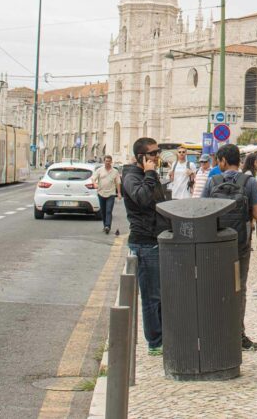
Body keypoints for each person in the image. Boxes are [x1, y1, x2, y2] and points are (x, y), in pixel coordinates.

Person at [204, 143, 257, 351]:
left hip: (215, 243)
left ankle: (215, 333)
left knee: (215, 286)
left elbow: (203, 211)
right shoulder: (249, 182)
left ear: (222, 160)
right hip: (240, 244)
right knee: (238, 288)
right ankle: (237, 335)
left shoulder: (212, 181)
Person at [121, 137, 170, 355]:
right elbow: (141, 198)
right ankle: (155, 342)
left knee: (160, 294)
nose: (157, 157)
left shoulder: (148, 175)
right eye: (152, 154)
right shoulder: (131, 176)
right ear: (141, 156)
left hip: (156, 239)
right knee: (151, 296)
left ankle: (161, 336)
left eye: (157, 153)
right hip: (144, 242)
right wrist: (150, 175)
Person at [93, 155, 122, 234]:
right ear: (104, 161)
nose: (108, 163)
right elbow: (93, 178)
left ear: (111, 162)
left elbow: (118, 182)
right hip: (101, 193)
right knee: (103, 211)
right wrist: (94, 184)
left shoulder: (115, 171)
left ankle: (107, 226)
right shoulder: (99, 170)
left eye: (109, 161)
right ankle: (105, 225)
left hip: (111, 194)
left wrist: (119, 193)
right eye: (106, 161)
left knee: (109, 210)